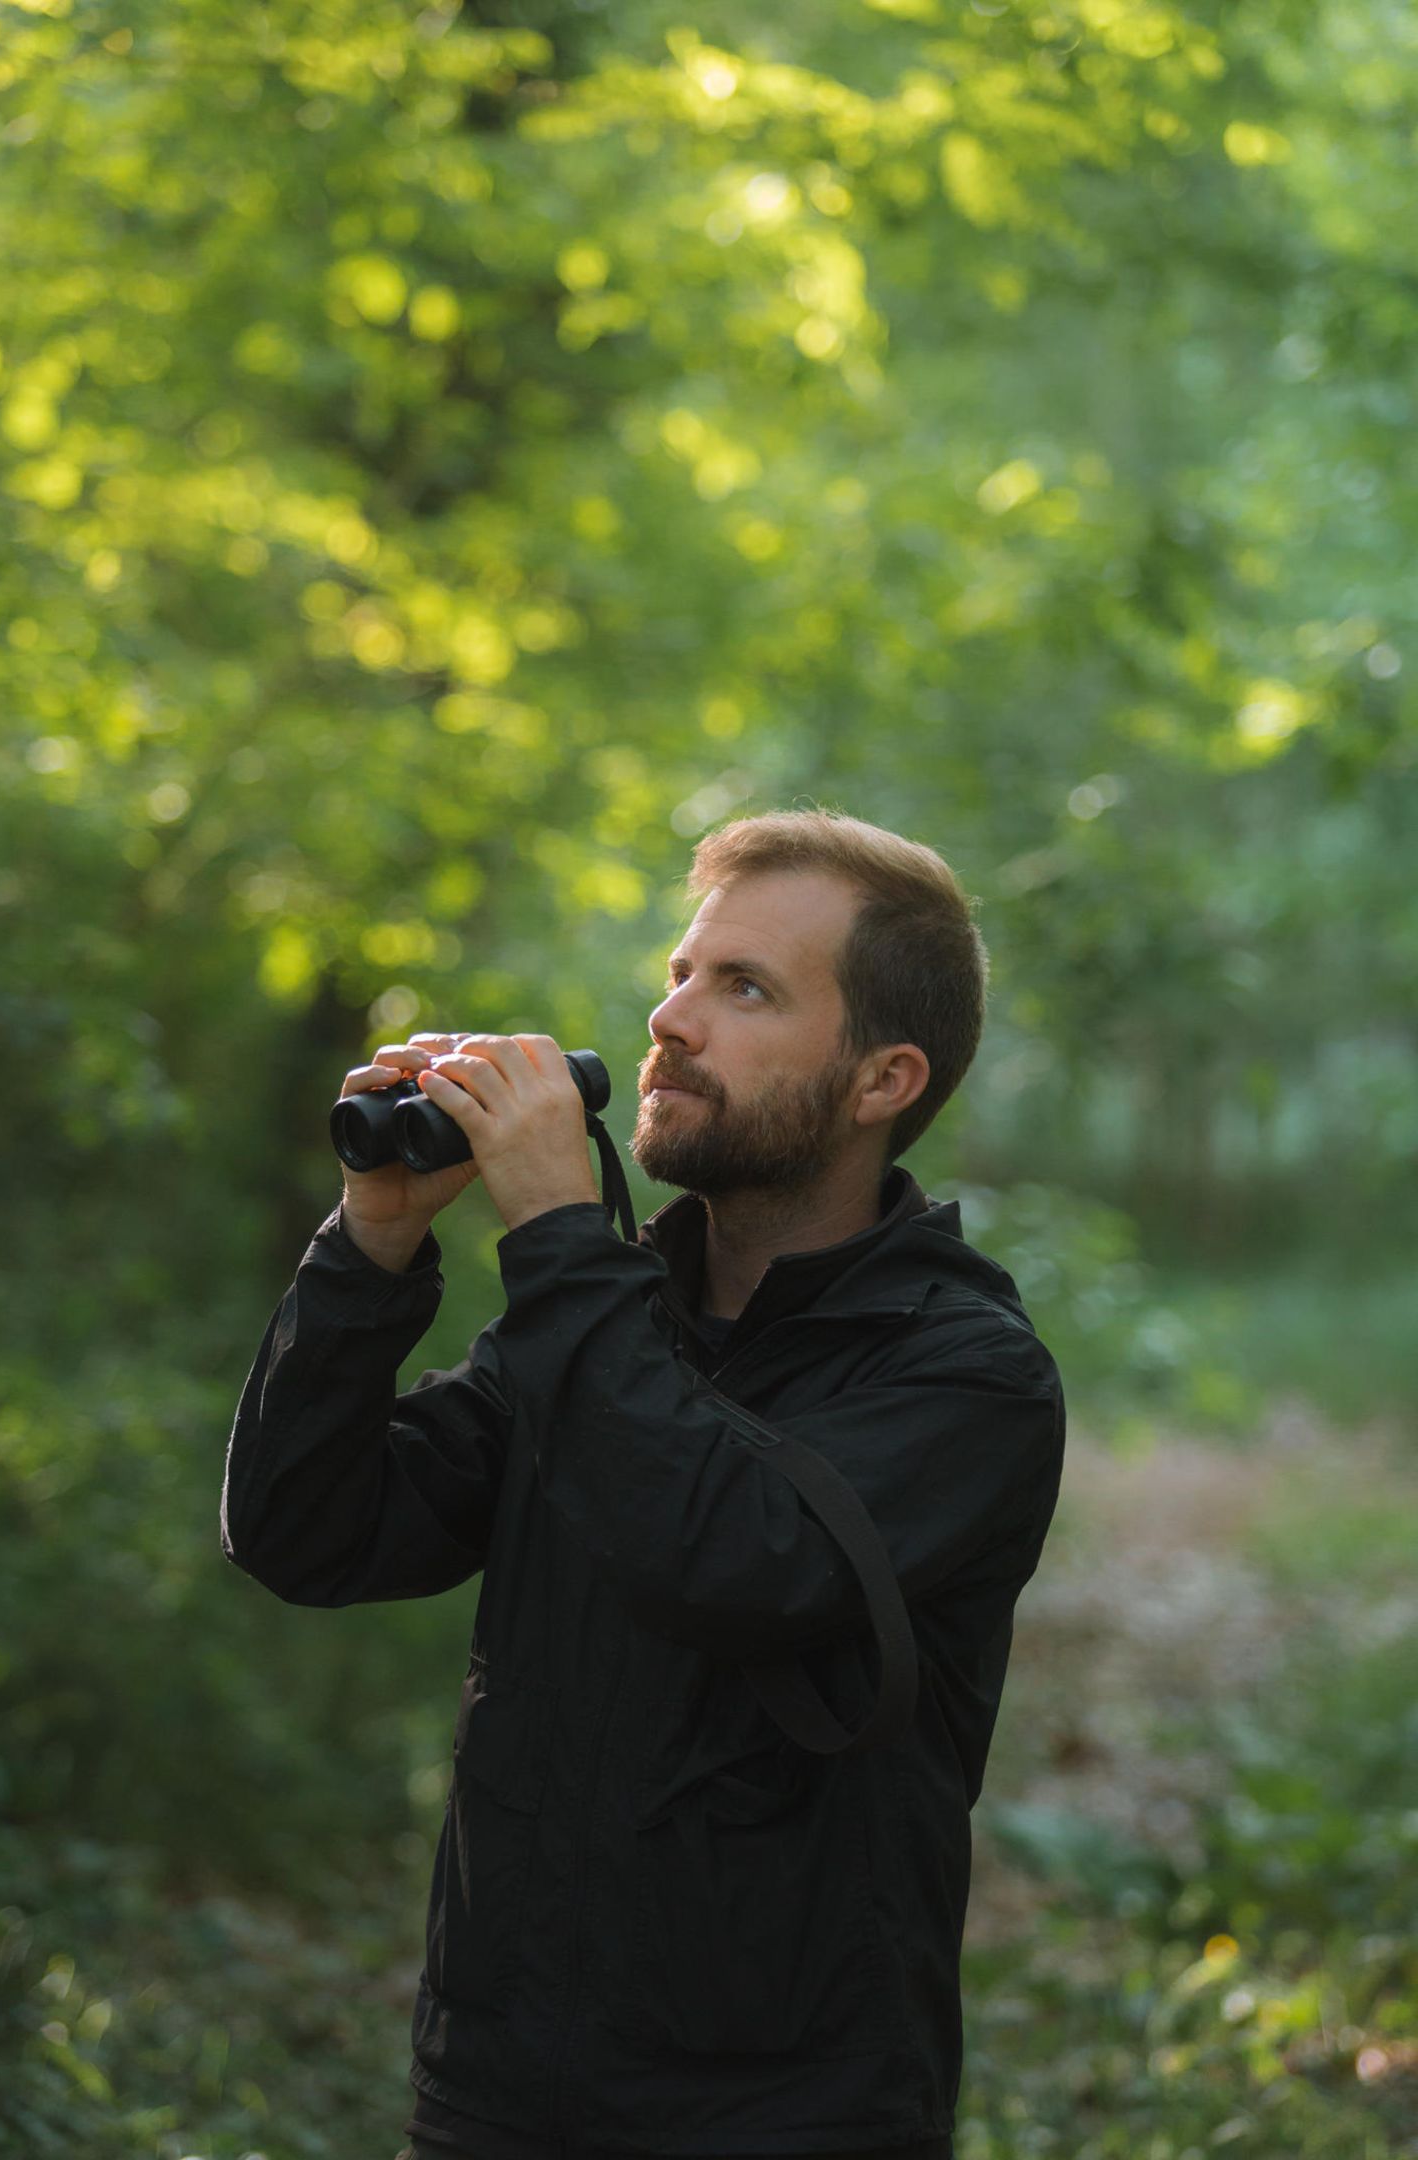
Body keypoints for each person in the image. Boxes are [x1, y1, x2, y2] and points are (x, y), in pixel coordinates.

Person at [221, 808, 1067, 2160]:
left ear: (881, 1080)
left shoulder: (966, 1374)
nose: (672, 1020)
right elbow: (303, 1532)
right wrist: (368, 1249)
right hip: (499, 2094)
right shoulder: (609, 1325)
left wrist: (562, 1236)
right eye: (680, 973)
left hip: (791, 2115)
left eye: (746, 989)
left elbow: (732, 1558)